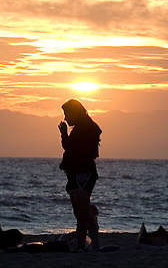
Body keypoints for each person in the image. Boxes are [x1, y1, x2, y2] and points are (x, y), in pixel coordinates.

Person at [58, 99, 102, 251]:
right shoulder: (81, 128)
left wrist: (64, 134)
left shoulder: (87, 128)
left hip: (83, 173)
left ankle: (82, 245)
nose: (65, 118)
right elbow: (71, 147)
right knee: (79, 211)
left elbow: (72, 148)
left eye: (66, 114)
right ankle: (90, 240)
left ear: (74, 112)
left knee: (81, 213)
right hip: (74, 173)